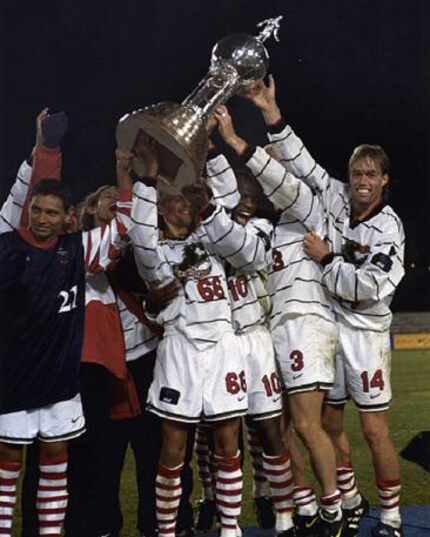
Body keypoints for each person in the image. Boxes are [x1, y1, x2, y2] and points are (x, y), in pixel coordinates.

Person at [254, 78, 405, 537]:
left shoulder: (388, 229)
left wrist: (327, 258)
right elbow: (301, 161)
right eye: (356, 174)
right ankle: (351, 498)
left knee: (374, 430)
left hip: (367, 334)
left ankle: (393, 516)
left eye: (370, 175)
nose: (361, 182)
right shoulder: (334, 196)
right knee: (329, 423)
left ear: (384, 181)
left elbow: (368, 285)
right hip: (332, 325)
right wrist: (269, 111)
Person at [0, 114, 136, 536]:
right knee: (8, 466)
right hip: (13, 380)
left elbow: (125, 226)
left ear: (66, 217)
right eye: (37, 210)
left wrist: (124, 172)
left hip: (60, 382)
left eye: (51, 212)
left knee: (56, 460)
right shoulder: (5, 246)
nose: (42, 218)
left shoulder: (78, 251)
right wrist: (44, 147)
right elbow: (22, 191)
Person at [129, 137, 272, 537]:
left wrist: (211, 154)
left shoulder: (215, 243)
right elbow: (139, 239)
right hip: (180, 350)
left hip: (224, 346)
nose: (179, 204)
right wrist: (148, 179)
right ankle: (168, 531)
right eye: (169, 198)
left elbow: (245, 242)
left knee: (229, 445)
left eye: (185, 199)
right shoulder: (157, 253)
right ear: (159, 206)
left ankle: (230, 529)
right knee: (173, 451)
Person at [217, 93, 343, 537]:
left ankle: (334, 511)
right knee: (284, 430)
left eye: (271, 169)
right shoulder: (268, 231)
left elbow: (283, 183)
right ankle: (307, 505)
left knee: (308, 425)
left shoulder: (311, 210)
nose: (263, 178)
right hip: (278, 333)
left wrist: (235, 140)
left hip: (307, 325)